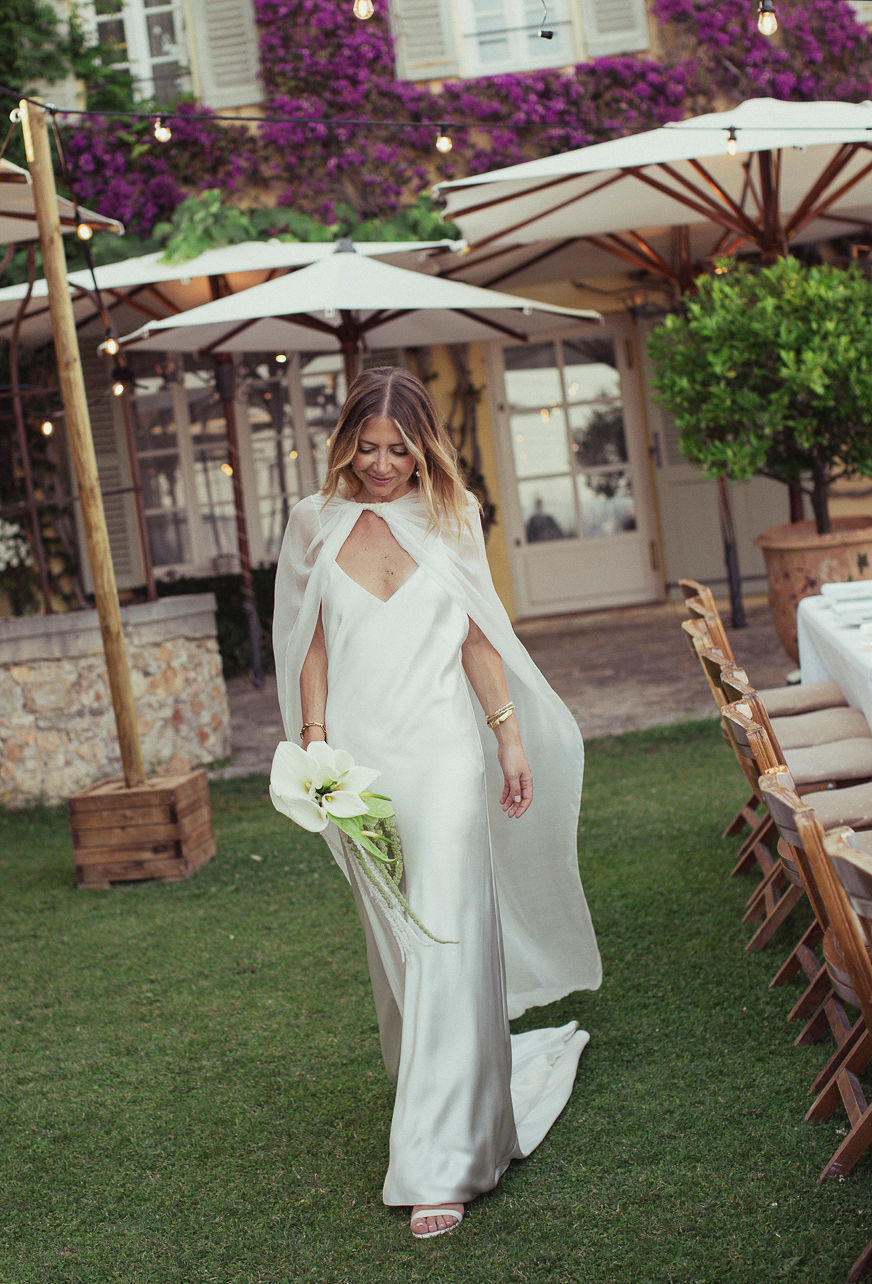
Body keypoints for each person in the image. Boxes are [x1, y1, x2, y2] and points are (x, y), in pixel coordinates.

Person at [272, 367, 601, 1239]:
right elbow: (310, 646)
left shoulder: (453, 518)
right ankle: (461, 1092)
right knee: (403, 947)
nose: (381, 466)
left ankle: (439, 1162)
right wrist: (313, 738)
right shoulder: (312, 522)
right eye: (367, 448)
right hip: (357, 760)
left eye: (399, 450)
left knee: (446, 933)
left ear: (424, 451)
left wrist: (508, 736)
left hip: (446, 752)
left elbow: (479, 640)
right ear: (345, 442)